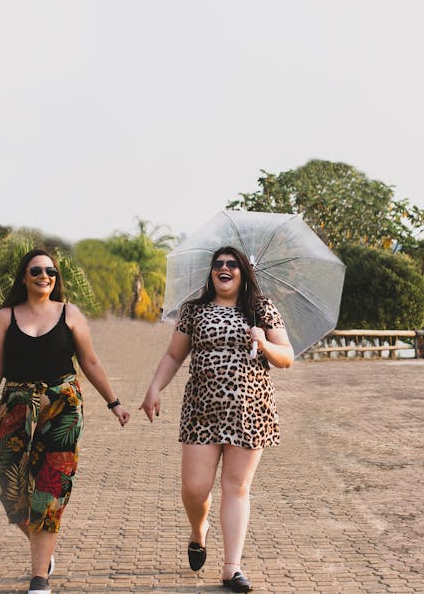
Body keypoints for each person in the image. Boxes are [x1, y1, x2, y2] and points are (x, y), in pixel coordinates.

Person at [0, 248, 130, 594]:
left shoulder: (69, 314)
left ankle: (39, 576)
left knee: (50, 488)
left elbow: (90, 362)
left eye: (51, 271)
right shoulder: (5, 318)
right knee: (13, 495)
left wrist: (114, 403)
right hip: (16, 408)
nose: (44, 276)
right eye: (36, 271)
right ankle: (43, 552)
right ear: (24, 277)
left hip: (62, 407)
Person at [139, 246, 294, 593]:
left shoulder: (260, 309)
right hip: (202, 411)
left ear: (243, 272)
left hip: (250, 411)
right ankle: (199, 530)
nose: (223, 268)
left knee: (236, 488)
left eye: (231, 264)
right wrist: (154, 387)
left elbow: (287, 357)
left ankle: (231, 568)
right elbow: (173, 355)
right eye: (218, 264)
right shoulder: (193, 310)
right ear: (211, 272)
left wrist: (265, 344)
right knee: (195, 489)